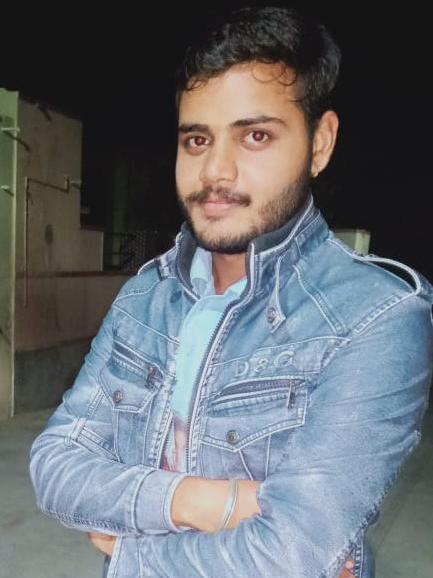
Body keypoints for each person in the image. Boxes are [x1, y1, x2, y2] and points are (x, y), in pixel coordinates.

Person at [29, 6, 433, 578]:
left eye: (256, 136)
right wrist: (208, 502)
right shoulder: (147, 298)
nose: (216, 171)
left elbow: (291, 554)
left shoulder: (375, 316)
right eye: (197, 139)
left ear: (320, 144)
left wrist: (128, 552)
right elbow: (55, 465)